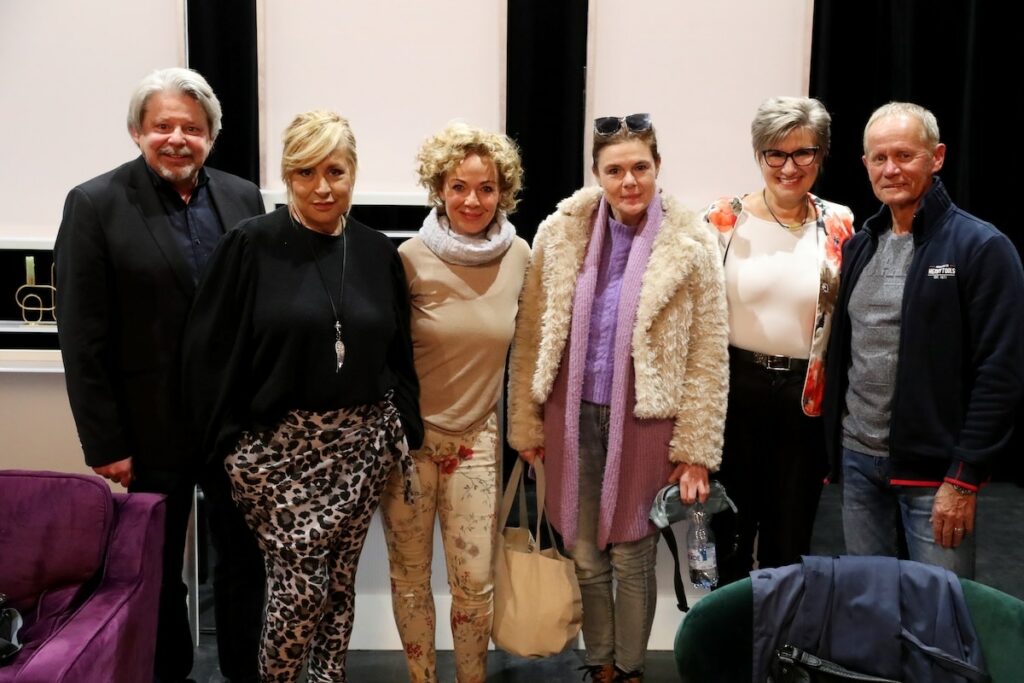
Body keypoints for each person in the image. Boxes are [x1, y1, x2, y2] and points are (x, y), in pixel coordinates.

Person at [181, 110, 424, 683]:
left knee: (338, 585)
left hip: (359, 451)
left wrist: (403, 425)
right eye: (305, 172)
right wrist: (226, 450)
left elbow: (398, 350)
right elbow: (207, 353)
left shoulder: (375, 252)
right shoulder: (249, 245)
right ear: (287, 175)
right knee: (302, 591)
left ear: (353, 172)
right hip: (275, 455)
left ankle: (327, 678)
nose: (322, 187)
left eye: (335, 171)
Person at [54, 67, 266, 683]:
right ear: (137, 131)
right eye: (162, 126)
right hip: (148, 432)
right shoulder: (94, 203)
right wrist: (106, 441)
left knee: (245, 564)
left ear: (211, 137)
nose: (177, 139)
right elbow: (82, 336)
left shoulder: (244, 198)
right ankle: (168, 673)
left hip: (234, 428)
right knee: (154, 569)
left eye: (192, 128)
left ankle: (245, 673)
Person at [507, 113, 729, 683]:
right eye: (615, 170)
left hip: (647, 421)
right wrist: (525, 423)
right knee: (583, 551)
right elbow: (532, 333)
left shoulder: (692, 242)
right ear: (596, 174)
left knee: (632, 555)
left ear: (657, 167)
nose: (629, 181)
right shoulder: (562, 232)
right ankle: (599, 665)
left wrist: (696, 449)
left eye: (640, 167)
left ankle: (630, 670)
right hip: (570, 417)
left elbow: (707, 353)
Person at [823, 102, 1024, 578]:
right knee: (871, 607)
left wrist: (964, 477)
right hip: (859, 464)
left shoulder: (981, 247)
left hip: (937, 479)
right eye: (879, 158)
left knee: (939, 611)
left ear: (937, 157)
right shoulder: (859, 245)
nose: (890, 169)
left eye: (904, 155)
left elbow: (1001, 373)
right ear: (865, 164)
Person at [379, 122, 529, 683]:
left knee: (475, 585)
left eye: (486, 188)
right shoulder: (408, 257)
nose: (472, 200)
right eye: (459, 186)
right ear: (439, 188)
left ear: (503, 192)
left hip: (477, 442)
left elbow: (531, 349)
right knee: (410, 580)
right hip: (409, 445)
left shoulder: (520, 256)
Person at [700, 96, 854, 585]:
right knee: (729, 538)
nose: (789, 167)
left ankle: (779, 635)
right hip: (734, 395)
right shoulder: (721, 220)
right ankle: (729, 634)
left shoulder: (840, 223)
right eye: (776, 154)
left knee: (789, 544)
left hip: (805, 401)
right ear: (759, 154)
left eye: (803, 152)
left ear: (821, 154)